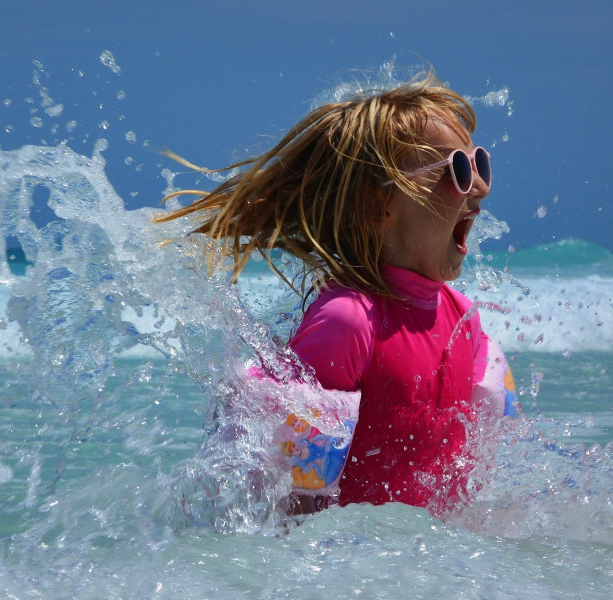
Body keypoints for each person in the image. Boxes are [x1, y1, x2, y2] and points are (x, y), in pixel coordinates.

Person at [155, 71, 516, 515]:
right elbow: (293, 502)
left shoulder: (462, 317)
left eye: (479, 163)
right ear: (379, 206)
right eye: (456, 172)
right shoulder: (349, 322)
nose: (479, 187)